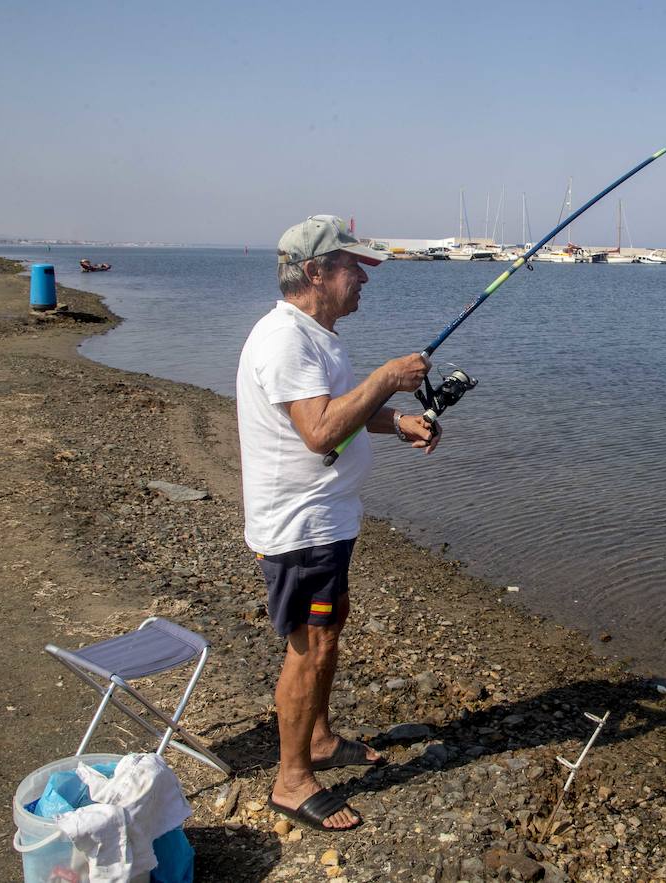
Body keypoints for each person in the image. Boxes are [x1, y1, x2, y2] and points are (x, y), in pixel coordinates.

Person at [236, 215, 441, 832]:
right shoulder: (284, 341)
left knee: (331, 629)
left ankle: (319, 739)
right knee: (311, 644)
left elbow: (340, 410)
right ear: (315, 273)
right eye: (355, 268)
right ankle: (292, 780)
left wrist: (396, 418)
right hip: (301, 527)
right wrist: (385, 378)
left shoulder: (317, 335)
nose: (363, 281)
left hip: (329, 520)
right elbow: (319, 429)